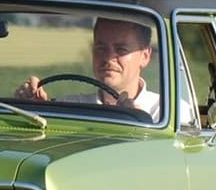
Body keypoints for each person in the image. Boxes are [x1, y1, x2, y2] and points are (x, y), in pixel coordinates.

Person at [14, 16, 162, 116]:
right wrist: (34, 108)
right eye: (101, 48)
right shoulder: (69, 108)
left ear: (145, 56)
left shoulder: (165, 112)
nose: (109, 58)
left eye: (121, 50)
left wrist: (137, 121)